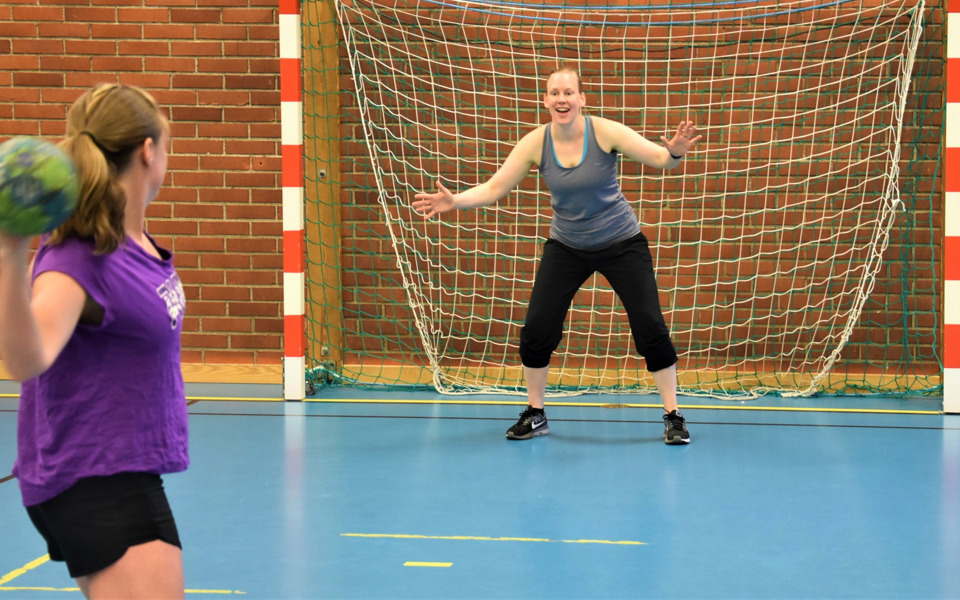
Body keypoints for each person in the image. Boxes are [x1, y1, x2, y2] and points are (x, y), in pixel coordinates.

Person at [413, 67, 701, 445]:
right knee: (537, 329)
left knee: (650, 326)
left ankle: (673, 416)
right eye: (554, 93)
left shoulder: (605, 132)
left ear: (581, 99)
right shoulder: (536, 142)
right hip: (567, 247)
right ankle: (536, 413)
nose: (561, 99)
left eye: (568, 92)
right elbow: (496, 187)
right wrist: (455, 201)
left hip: (622, 242)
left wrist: (675, 151)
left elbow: (661, 159)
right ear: (546, 100)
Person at [0, 83, 188, 599]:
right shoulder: (78, 258)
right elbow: (27, 359)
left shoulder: (131, 242)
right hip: (95, 477)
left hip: (119, 470)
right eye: (167, 144)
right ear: (148, 151)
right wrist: (10, 254)